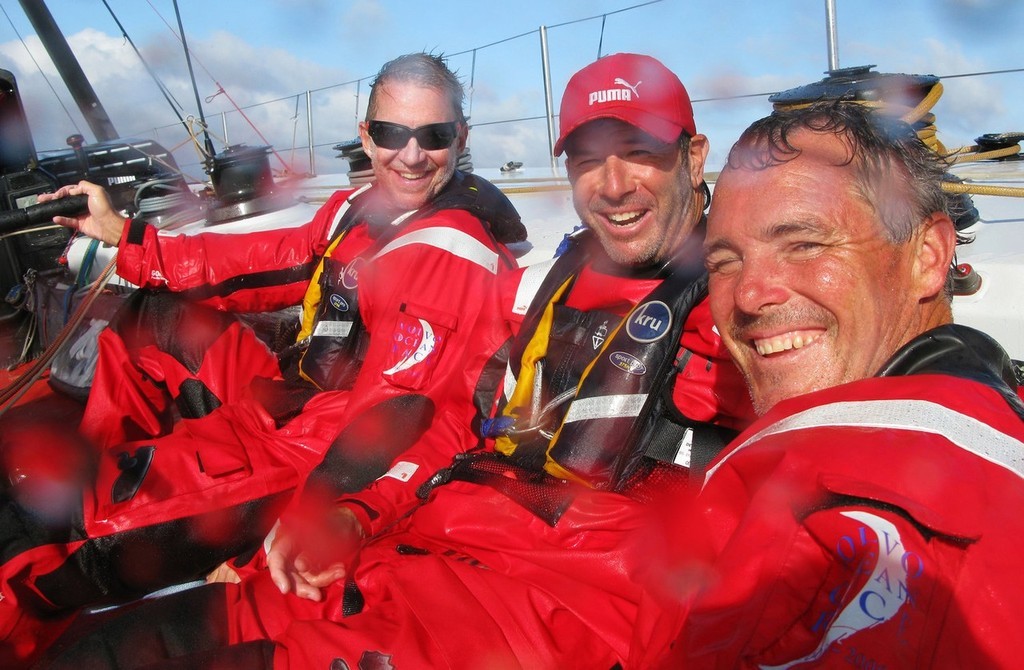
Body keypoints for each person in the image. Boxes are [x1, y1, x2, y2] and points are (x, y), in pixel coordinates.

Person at [37, 53, 754, 669]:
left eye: (641, 151)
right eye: (589, 158)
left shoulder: (744, 307)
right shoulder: (558, 275)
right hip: (409, 545)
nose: (614, 183)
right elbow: (464, 417)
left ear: (693, 157)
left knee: (64, 559)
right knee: (100, 652)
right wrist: (357, 514)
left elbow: (816, 477)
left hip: (516, 614)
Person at [0, 52, 526, 668]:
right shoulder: (357, 211)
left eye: (434, 137)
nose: (410, 156)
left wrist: (300, 532)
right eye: (391, 134)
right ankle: (108, 464)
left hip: (301, 457)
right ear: (365, 135)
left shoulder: (448, 257)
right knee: (151, 318)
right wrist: (131, 239)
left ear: (460, 137)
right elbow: (268, 255)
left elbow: (391, 423)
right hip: (286, 403)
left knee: (47, 532)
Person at [633, 102, 1024, 668]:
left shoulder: (850, 513)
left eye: (805, 245)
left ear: (929, 256)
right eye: (725, 262)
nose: (748, 295)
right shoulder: (980, 415)